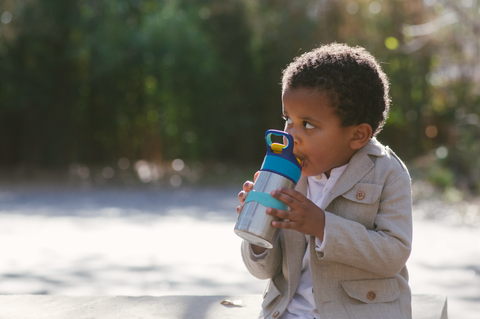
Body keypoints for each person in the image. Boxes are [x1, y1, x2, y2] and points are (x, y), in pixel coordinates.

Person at [237, 43, 412, 319]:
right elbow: (263, 271)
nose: (292, 135)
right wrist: (258, 231)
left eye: (307, 124)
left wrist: (323, 226)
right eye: (288, 119)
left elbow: (393, 254)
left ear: (357, 135)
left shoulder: (386, 172)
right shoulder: (287, 173)